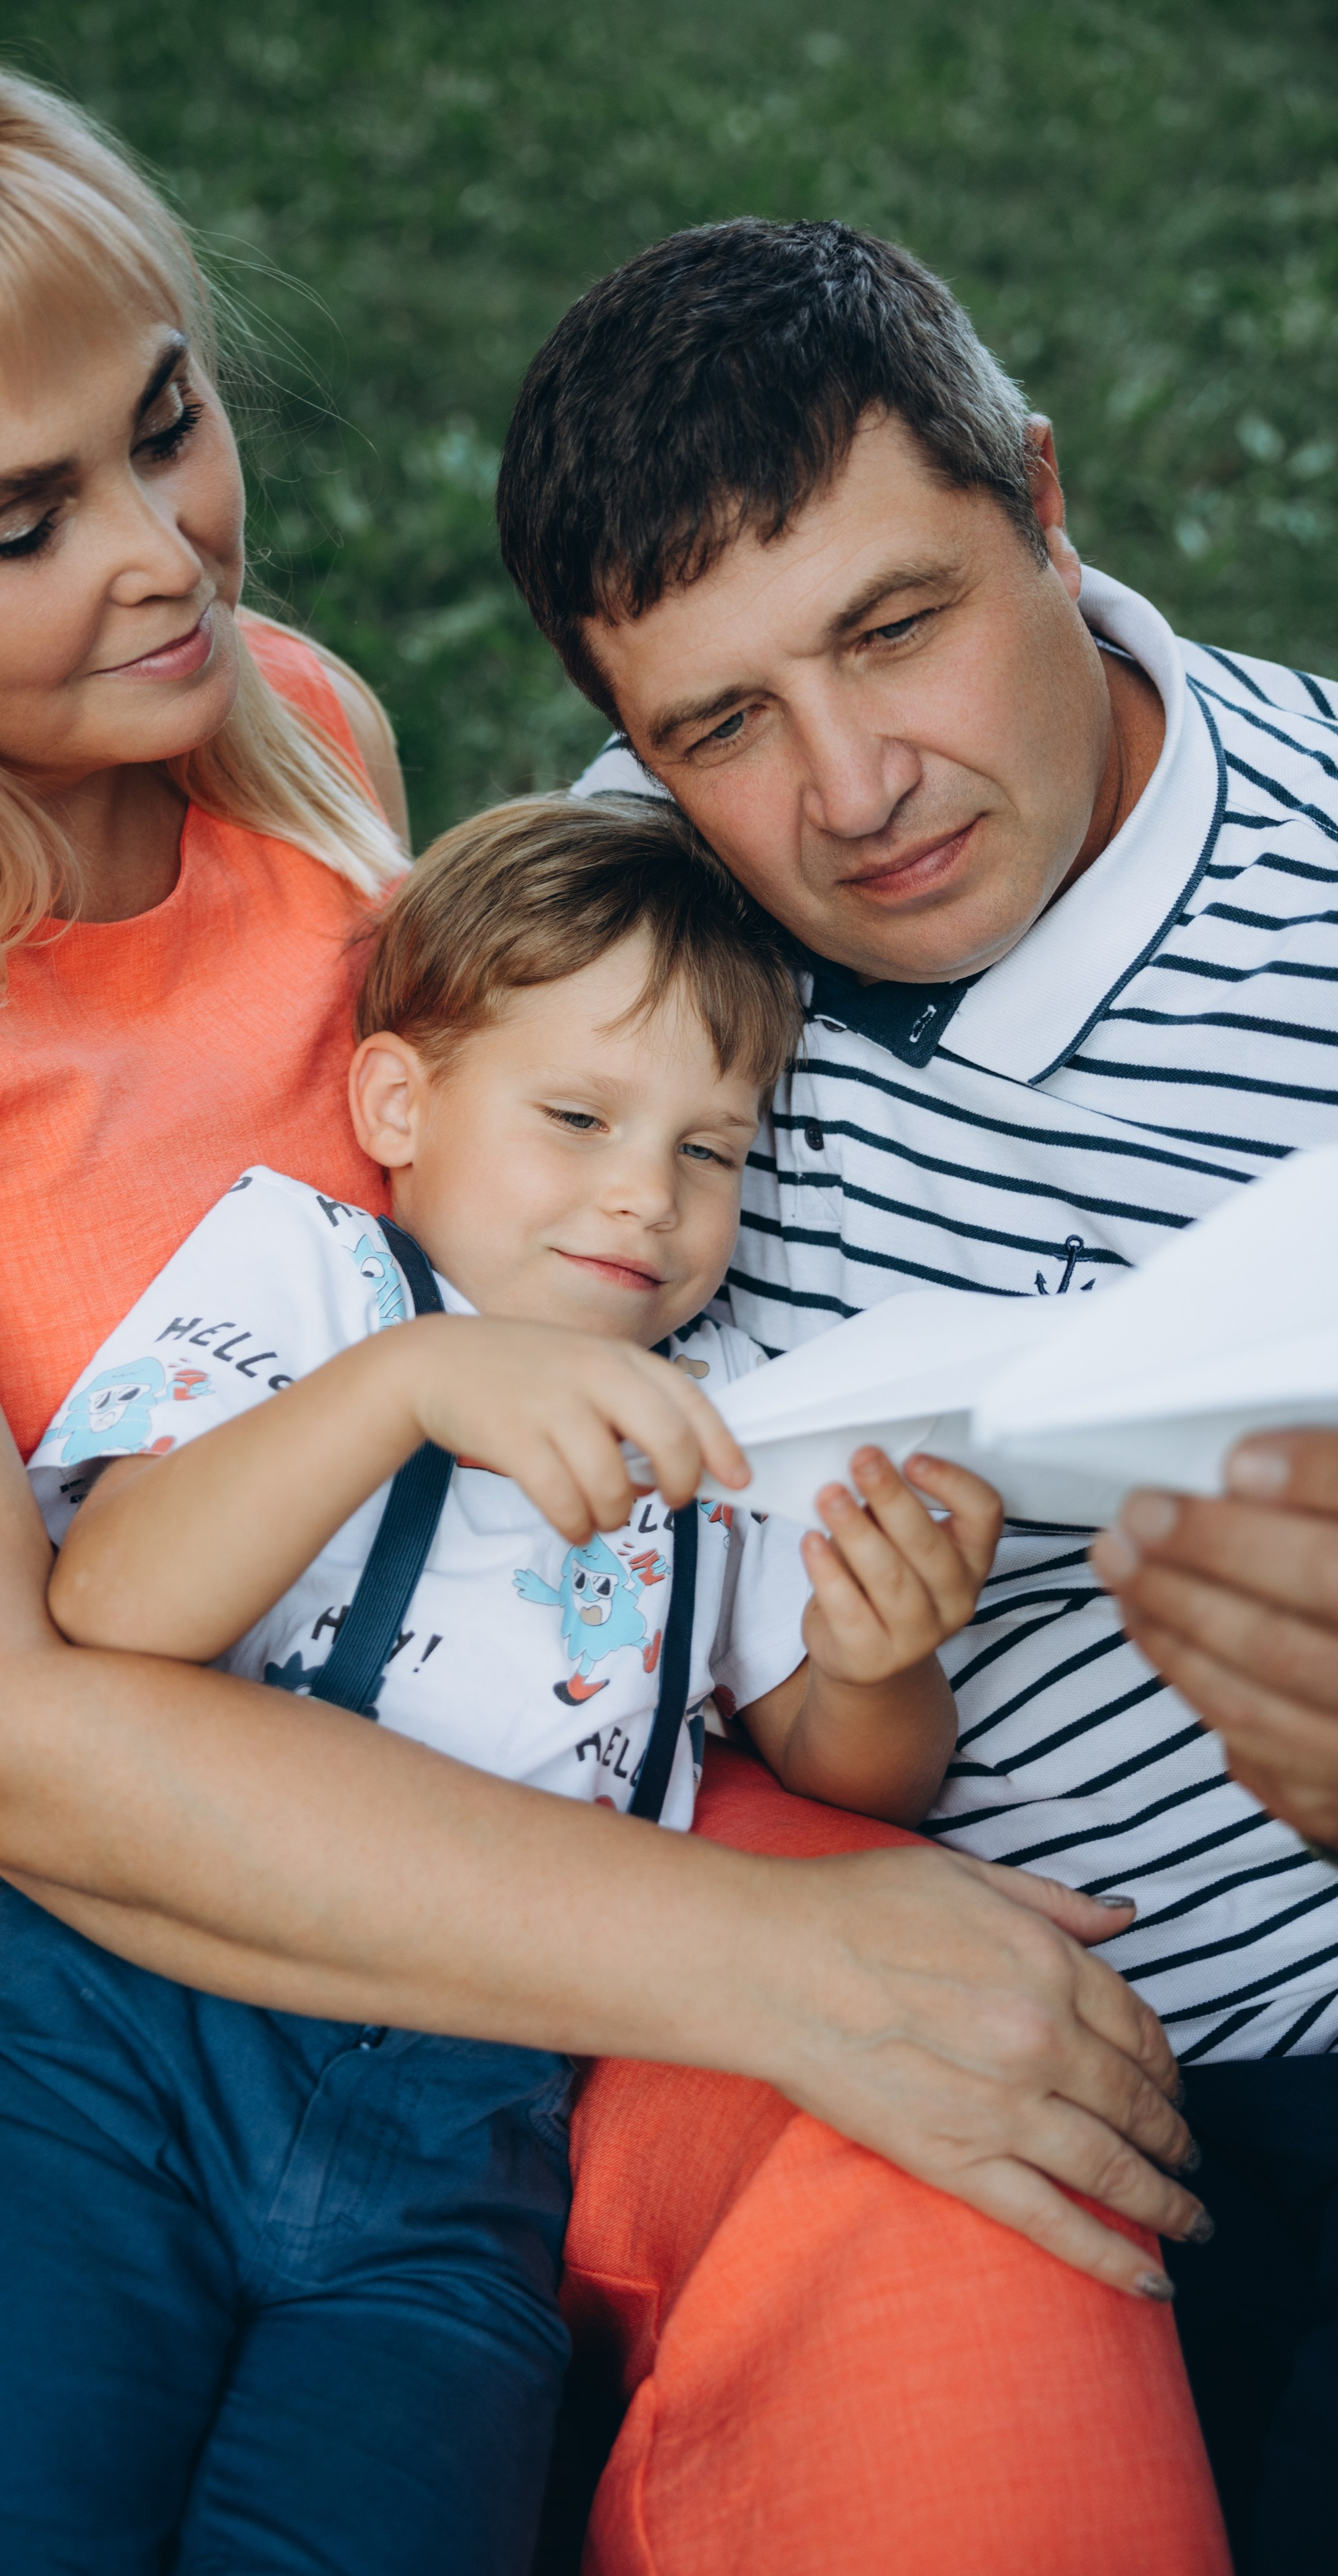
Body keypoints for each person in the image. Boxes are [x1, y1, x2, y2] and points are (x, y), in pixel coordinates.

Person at [0, 32, 1224, 2576]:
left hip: (432, 1921)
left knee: (982, 2217)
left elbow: (542, 1271)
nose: (166, 554)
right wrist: (785, 1954)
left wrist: (850, 1777)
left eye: (166, 424)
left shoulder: (289, 731)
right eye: (20, 520)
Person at [0, 796, 1011, 2574]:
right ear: (401, 1106)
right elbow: (109, 1609)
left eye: (712, 1153)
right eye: (579, 1119)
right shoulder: (319, 1283)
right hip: (103, 2071)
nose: (646, 1197)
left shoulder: (725, 1424)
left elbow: (844, 1768)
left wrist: (885, 1660)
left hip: (459, 2168)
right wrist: (411, 1387)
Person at [497, 211, 1338, 2571]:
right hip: (860, 2054)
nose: (855, 792)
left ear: (1046, 509)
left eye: (899, 629)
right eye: (720, 723)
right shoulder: (629, 913)